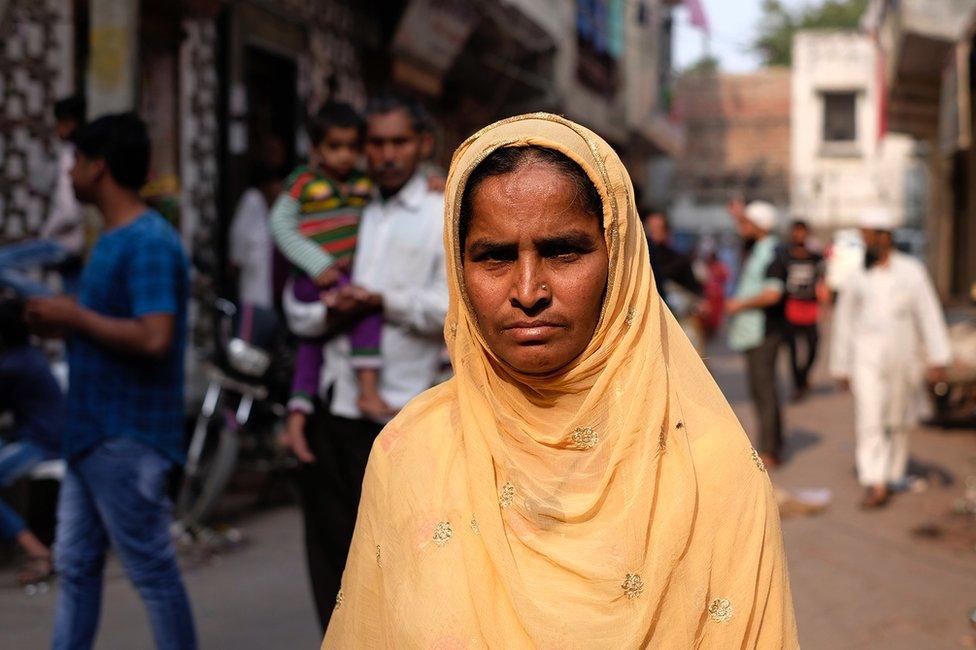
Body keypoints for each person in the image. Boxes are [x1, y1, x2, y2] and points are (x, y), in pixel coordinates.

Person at [322, 114, 797, 647]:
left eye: (563, 251)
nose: (528, 290)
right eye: (494, 256)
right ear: (458, 270)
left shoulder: (712, 468)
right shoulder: (411, 452)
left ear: (618, 261)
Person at [24, 113, 196, 649]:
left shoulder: (146, 240)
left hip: (127, 435)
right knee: (75, 567)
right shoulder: (116, 237)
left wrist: (72, 318)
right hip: (92, 432)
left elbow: (153, 337)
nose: (69, 170)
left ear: (98, 167)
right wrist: (66, 314)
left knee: (151, 572)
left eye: (75, 159)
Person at [280, 92, 448, 631]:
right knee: (331, 568)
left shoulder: (443, 211)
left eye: (399, 141)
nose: (386, 154)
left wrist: (381, 301)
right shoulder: (345, 207)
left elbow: (455, 309)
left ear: (423, 144)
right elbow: (296, 305)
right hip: (335, 407)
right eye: (375, 143)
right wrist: (327, 314)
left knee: (404, 572)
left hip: (402, 413)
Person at [271, 102, 388, 424]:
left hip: (342, 274)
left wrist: (433, 178)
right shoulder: (303, 181)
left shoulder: (363, 183)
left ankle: (298, 412)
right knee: (365, 309)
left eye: (352, 147)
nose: (345, 155)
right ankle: (367, 389)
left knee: (311, 346)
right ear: (316, 147)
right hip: (315, 278)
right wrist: (317, 264)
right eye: (334, 147)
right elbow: (279, 225)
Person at [830, 208, 951, 509]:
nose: (865, 241)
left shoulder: (912, 272)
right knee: (870, 418)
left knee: (897, 420)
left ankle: (893, 473)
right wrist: (841, 365)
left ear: (884, 237)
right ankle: (875, 481)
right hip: (866, 358)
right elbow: (844, 321)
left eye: (868, 236)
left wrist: (938, 357)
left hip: (903, 357)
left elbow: (928, 315)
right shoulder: (857, 276)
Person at [0, 292, 64, 585]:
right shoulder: (25, 356)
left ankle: (37, 552)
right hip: (35, 436)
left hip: (43, 442)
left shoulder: (14, 365)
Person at [0, 95, 86, 297]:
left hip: (62, 241)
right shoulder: (79, 154)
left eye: (59, 124)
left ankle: (54, 304)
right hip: (77, 242)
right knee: (76, 294)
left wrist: (47, 233)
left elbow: (69, 212)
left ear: (69, 123)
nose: (57, 131)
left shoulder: (71, 156)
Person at [726, 201, 787, 469]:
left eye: (748, 223)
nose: (743, 228)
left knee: (765, 390)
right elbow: (745, 230)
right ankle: (773, 443)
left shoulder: (773, 252)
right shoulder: (760, 246)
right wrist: (739, 216)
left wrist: (740, 304)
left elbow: (773, 294)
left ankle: (770, 449)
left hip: (765, 331)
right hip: (752, 331)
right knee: (760, 389)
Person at [228, 163, 282, 309]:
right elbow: (238, 232)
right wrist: (236, 259)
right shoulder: (252, 199)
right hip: (252, 269)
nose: (279, 189)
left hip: (262, 275)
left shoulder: (270, 206)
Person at [783, 220, 824, 400]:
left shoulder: (815, 258)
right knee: (792, 350)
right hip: (791, 308)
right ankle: (798, 385)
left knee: (813, 346)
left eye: (802, 232)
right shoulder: (785, 256)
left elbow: (822, 279)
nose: (799, 235)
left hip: (810, 308)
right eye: (796, 231)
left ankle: (804, 375)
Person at [644, 209, 702, 304]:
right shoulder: (641, 260)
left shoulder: (679, 261)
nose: (655, 234)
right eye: (651, 229)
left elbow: (694, 290)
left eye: (659, 229)